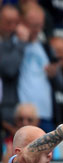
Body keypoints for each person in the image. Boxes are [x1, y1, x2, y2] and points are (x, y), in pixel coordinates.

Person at [17, 5, 57, 132]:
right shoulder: (13, 43)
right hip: (23, 116)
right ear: (22, 23)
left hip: (45, 113)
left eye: (39, 25)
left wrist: (54, 73)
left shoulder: (45, 47)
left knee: (49, 151)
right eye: (32, 25)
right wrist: (22, 42)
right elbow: (8, 70)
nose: (36, 29)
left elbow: (59, 81)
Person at [0, 4, 25, 139]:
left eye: (16, 22)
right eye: (8, 22)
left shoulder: (14, 41)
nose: (13, 27)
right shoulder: (18, 42)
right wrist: (21, 43)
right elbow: (9, 69)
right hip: (5, 109)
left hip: (18, 107)